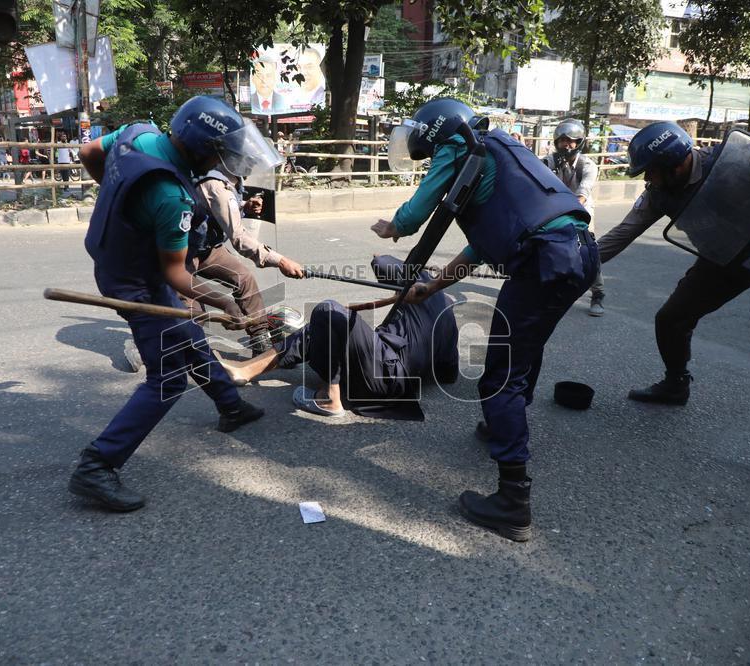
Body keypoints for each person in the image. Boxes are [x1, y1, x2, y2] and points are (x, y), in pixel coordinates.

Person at [371, 98, 598, 541]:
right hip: (578, 253)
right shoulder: (498, 152)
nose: (431, 160)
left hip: (542, 261)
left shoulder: (457, 146)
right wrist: (431, 288)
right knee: (525, 348)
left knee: (499, 377)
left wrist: (393, 226)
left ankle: (513, 502)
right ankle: (502, 425)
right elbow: (483, 245)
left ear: (437, 134)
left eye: (429, 152)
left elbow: (417, 212)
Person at [596, 122, 750, 507]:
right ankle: (675, 384)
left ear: (676, 163)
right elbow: (623, 233)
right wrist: (577, 265)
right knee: (671, 318)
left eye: (651, 170)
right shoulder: (660, 192)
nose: (647, 179)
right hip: (723, 258)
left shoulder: (736, 164)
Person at [69, 96, 270, 512]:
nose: (223, 163)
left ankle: (230, 406)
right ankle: (97, 465)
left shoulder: (137, 133)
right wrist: (227, 304)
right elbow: (177, 275)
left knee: (187, 333)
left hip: (120, 258)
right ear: (200, 149)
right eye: (220, 154)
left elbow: (88, 152)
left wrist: (120, 202)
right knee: (168, 378)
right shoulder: (172, 197)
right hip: (135, 281)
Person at [218, 255, 460, 418]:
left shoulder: (418, 283)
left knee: (328, 311)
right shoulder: (447, 316)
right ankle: (246, 370)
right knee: (320, 329)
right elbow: (449, 375)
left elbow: (382, 262)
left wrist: (403, 268)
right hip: (394, 380)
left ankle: (330, 398)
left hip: (384, 374)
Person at [180, 142, 305, 355]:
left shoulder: (229, 179)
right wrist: (281, 261)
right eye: (249, 161)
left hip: (206, 248)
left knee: (244, 279)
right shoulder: (215, 183)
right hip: (180, 254)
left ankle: (260, 337)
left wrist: (244, 205)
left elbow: (218, 207)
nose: (252, 166)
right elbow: (239, 238)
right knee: (193, 311)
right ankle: (168, 351)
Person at [543, 118, 606, 316]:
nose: (566, 144)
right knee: (547, 246)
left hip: (581, 210)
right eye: (562, 140)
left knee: (588, 250)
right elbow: (535, 174)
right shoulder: (550, 161)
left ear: (579, 142)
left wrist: (568, 211)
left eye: (571, 140)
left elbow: (582, 194)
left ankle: (598, 294)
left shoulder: (587, 165)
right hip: (556, 210)